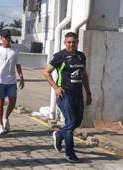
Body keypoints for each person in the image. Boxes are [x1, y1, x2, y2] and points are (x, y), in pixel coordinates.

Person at [43, 32, 92, 162]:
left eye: (74, 42)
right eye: (69, 42)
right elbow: (46, 72)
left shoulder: (81, 56)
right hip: (65, 95)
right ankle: (70, 152)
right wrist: (56, 88)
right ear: (65, 43)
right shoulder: (60, 56)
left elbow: (84, 75)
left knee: (77, 122)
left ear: (77, 42)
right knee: (70, 123)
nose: (71, 44)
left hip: (78, 95)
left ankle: (59, 134)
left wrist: (88, 93)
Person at [0, 29, 24, 135]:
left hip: (11, 81)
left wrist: (21, 77)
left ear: (10, 39)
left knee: (12, 101)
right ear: (1, 39)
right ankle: (0, 125)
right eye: (4, 37)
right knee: (0, 103)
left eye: (8, 37)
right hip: (0, 80)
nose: (6, 39)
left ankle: (6, 118)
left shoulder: (15, 51)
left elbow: (18, 65)